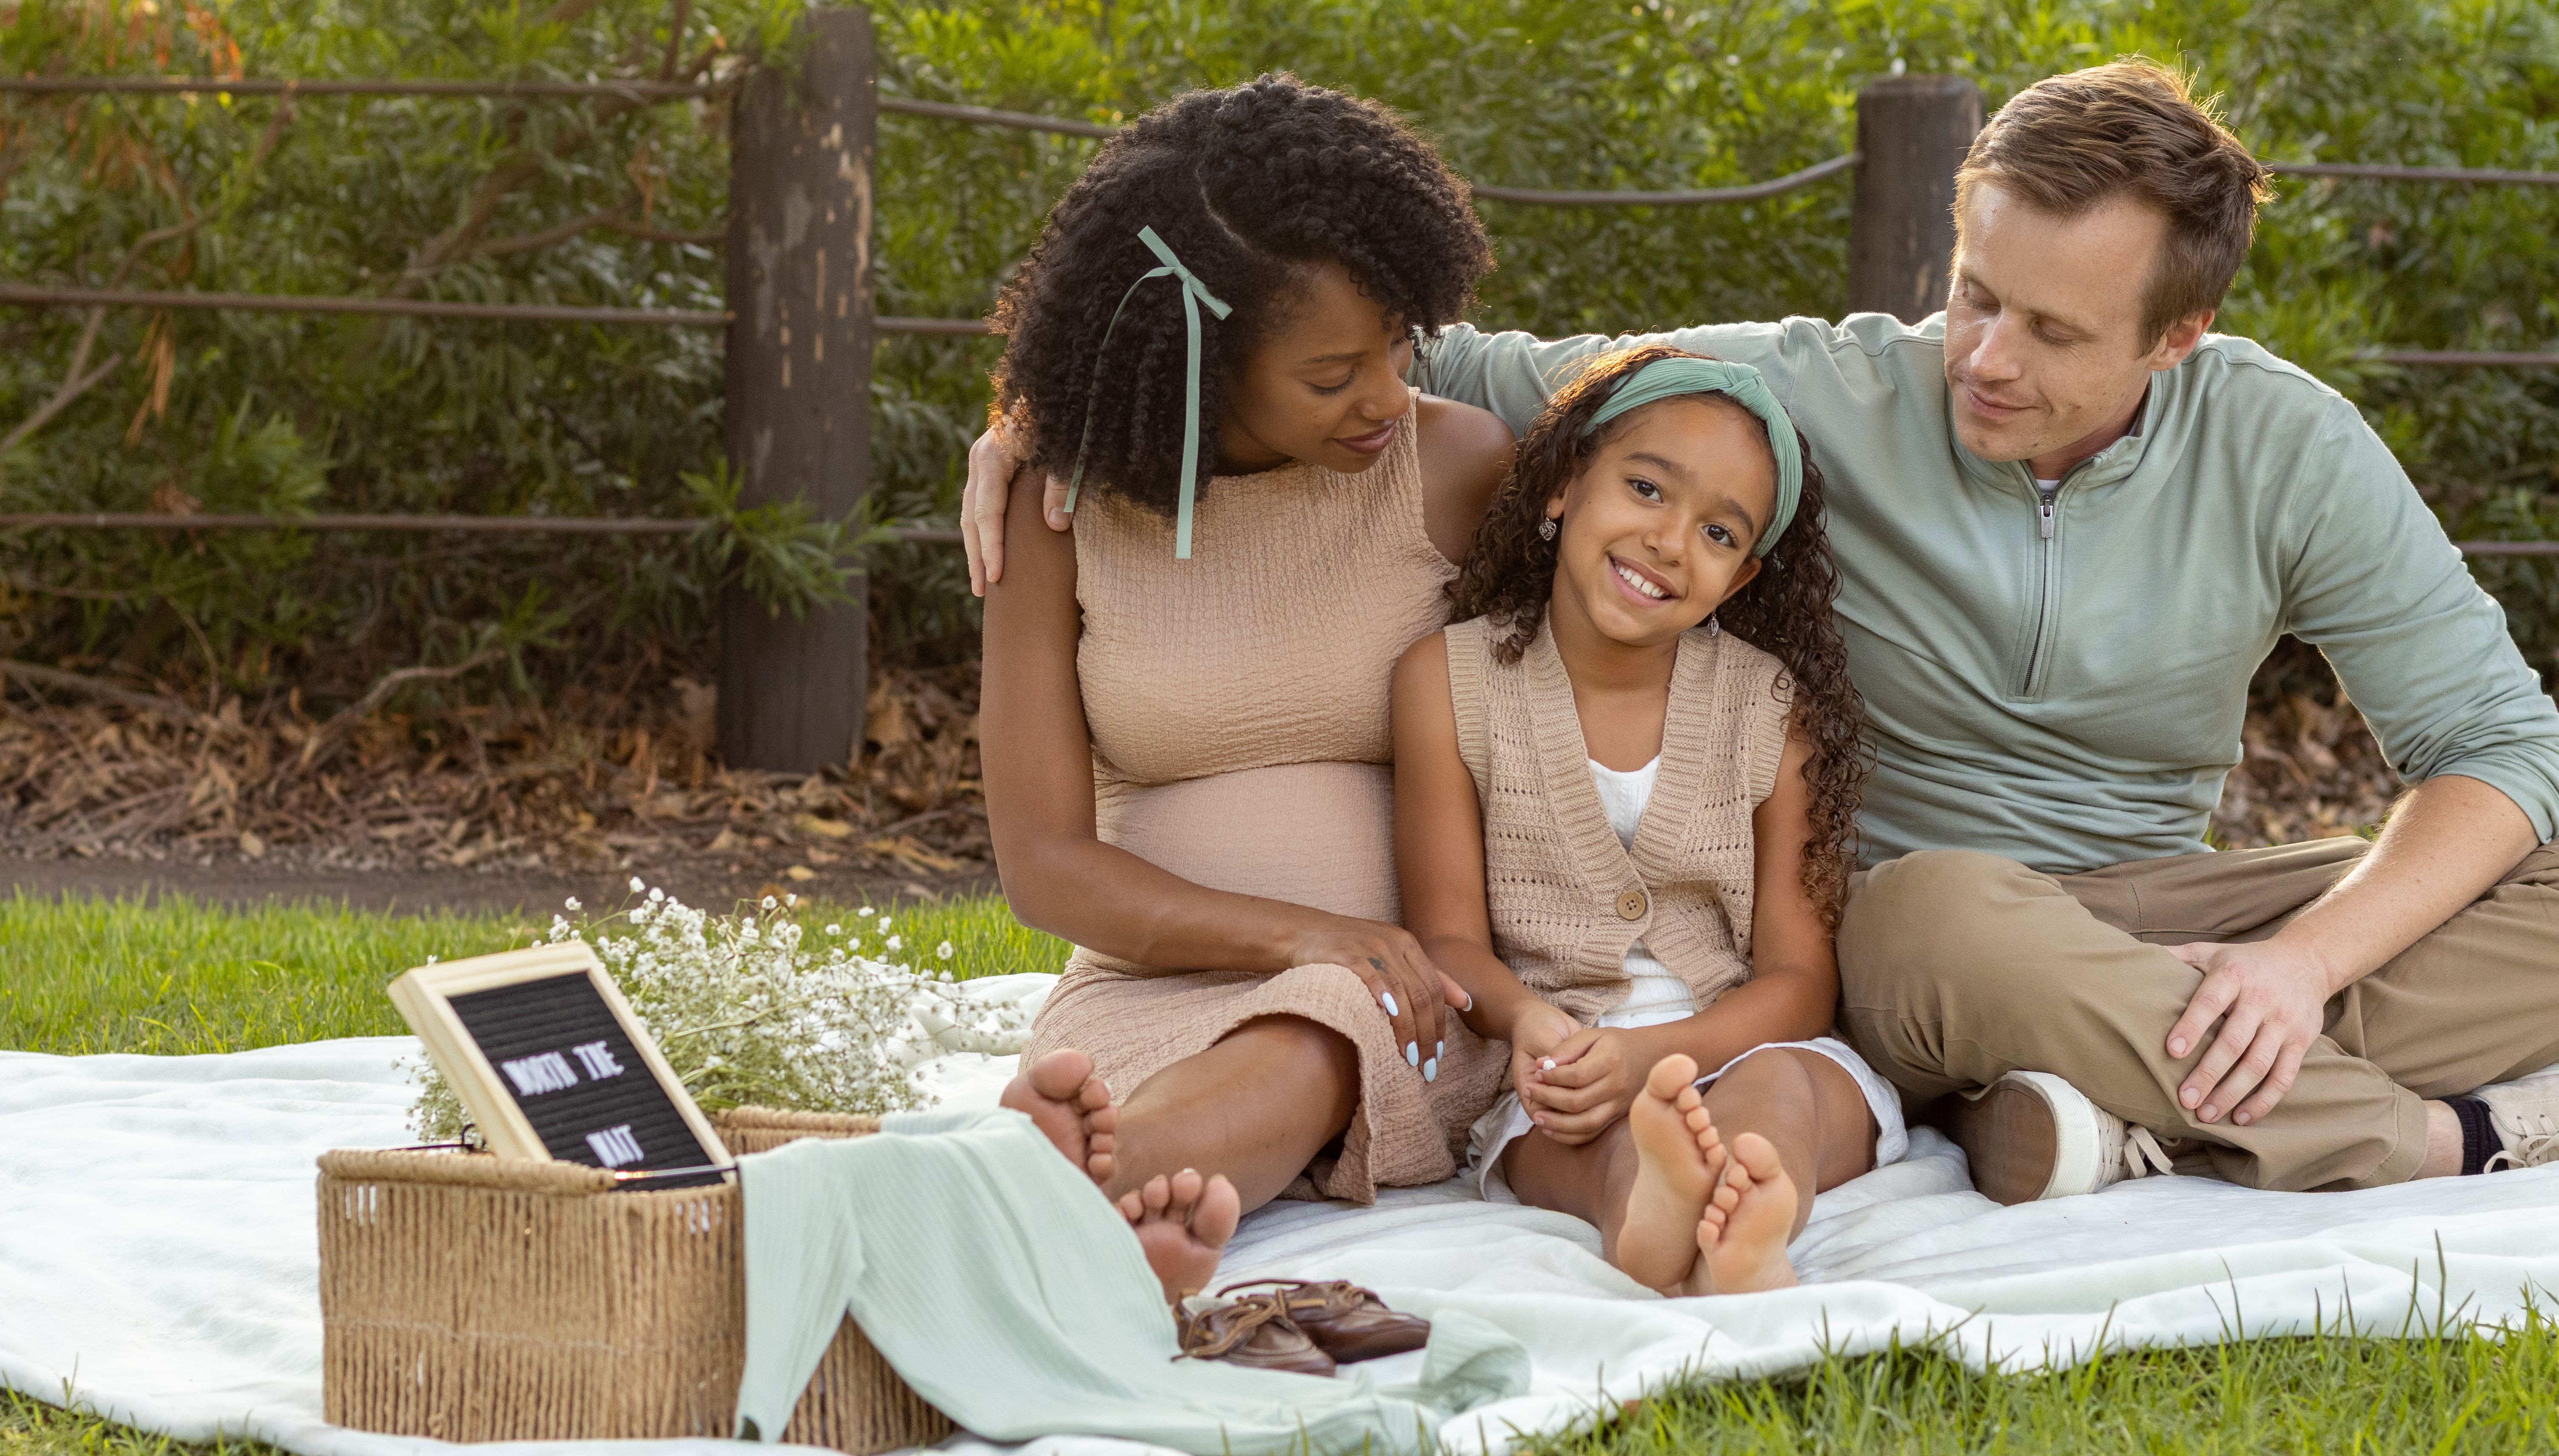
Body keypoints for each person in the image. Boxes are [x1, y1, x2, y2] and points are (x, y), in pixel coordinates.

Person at [967, 58, 2559, 1203]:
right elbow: (1374, 341)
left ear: (2184, 335)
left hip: (2155, 919)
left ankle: (2122, 1109)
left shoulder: (2285, 446)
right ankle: (2436, 1139)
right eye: (1971, 292)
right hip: (1916, 938)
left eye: (2054, 331)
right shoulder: (1805, 393)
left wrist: (2295, 967)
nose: (1986, 357)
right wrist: (1057, 398)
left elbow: (2499, 746)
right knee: (1937, 916)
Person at [978, 73, 1516, 1300]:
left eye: (1398, 347)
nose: (1384, 395)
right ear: (1194, 366)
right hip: (1144, 994)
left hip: (1412, 1001)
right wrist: (1301, 933)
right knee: (1296, 1005)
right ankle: (1111, 1177)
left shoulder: (1457, 470)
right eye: (1332, 376)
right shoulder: (1058, 509)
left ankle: (1060, 1197)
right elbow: (1044, 865)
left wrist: (1359, 956)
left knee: (1325, 1020)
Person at [1395, 345, 1904, 1294]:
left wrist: (1658, 1055)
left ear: (1743, 579)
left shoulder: (1766, 705)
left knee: (1777, 1100)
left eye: (1719, 533)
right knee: (1580, 1140)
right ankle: (1652, 1212)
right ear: (1559, 484)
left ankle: (1755, 1219)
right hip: (1566, 1057)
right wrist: (1533, 1026)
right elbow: (1450, 940)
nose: (1670, 540)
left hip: (1746, 1037)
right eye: (1645, 487)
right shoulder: (1447, 682)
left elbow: (1798, 982)